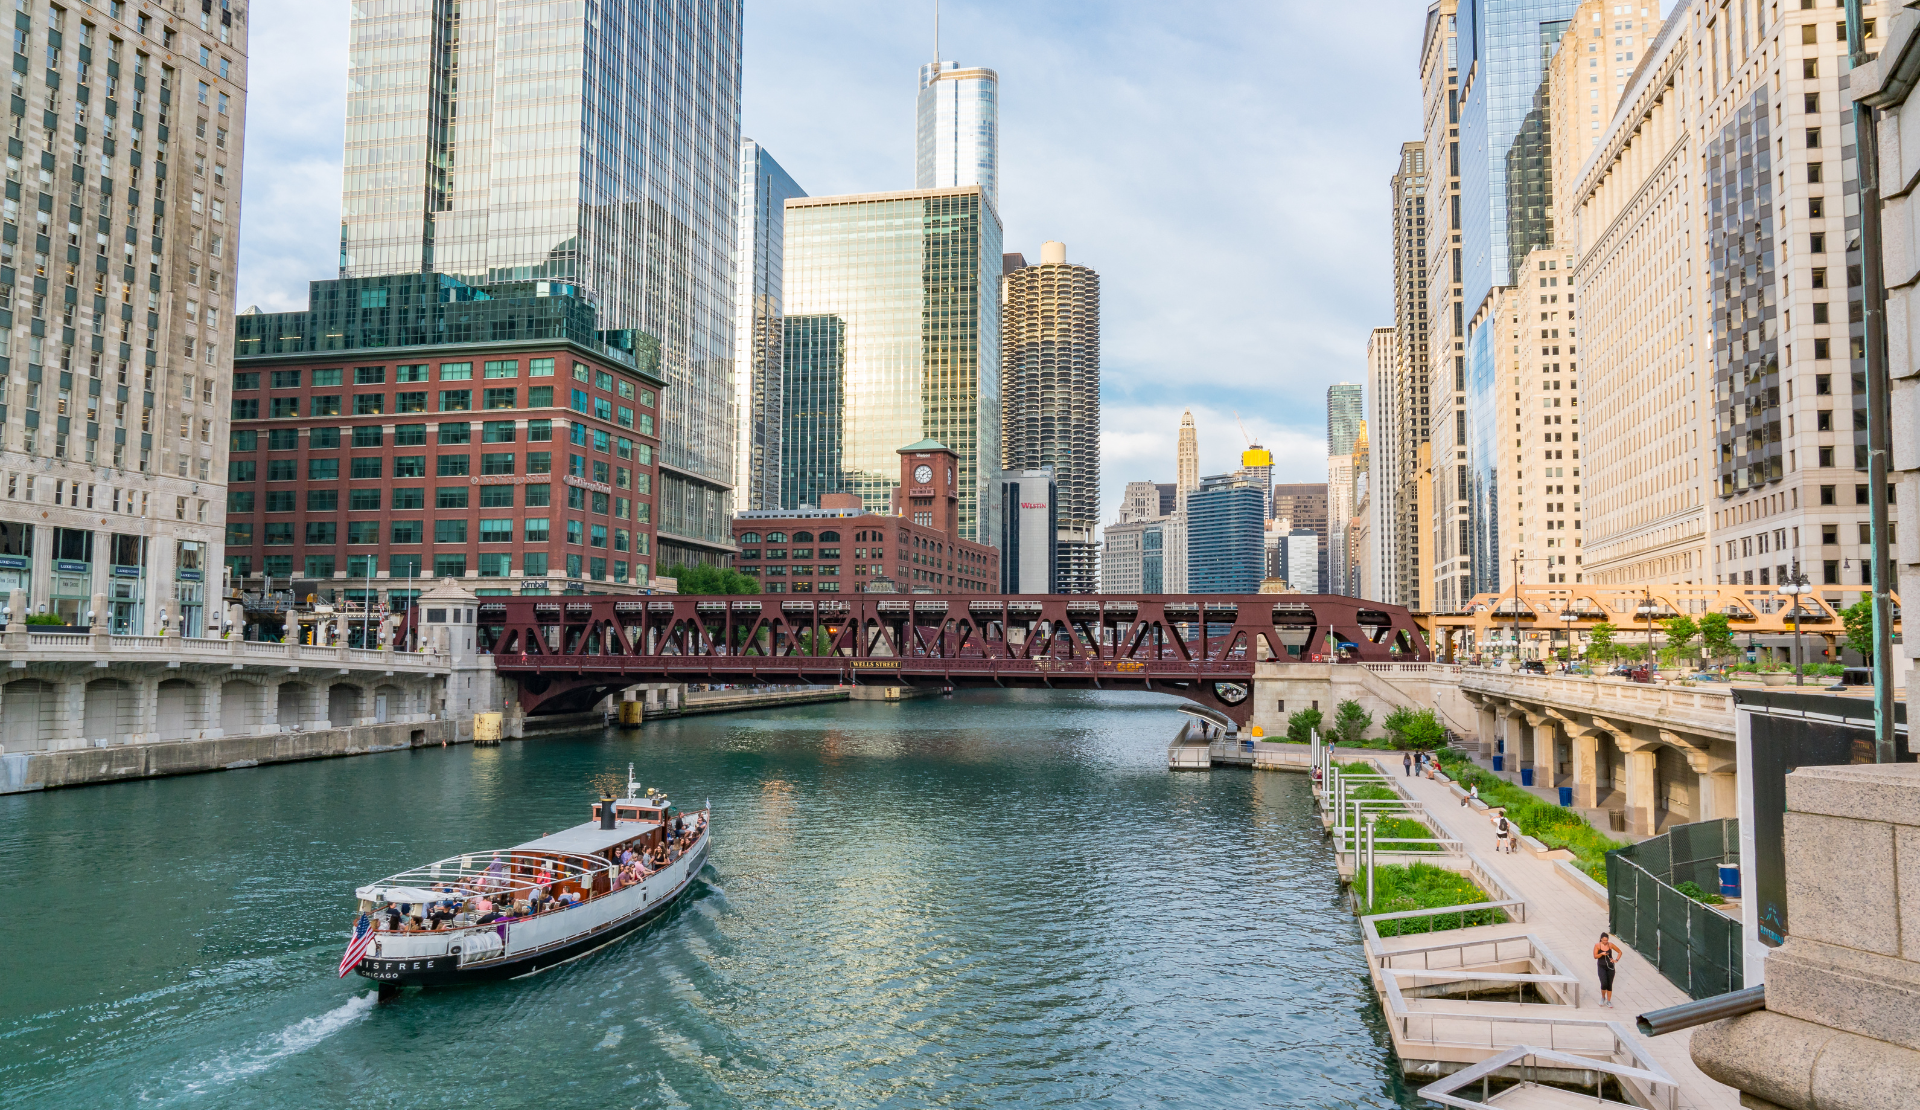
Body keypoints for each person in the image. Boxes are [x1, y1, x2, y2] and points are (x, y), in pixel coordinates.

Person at [1594, 932, 1623, 1007]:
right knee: (1604, 982)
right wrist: (1601, 954)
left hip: (1610, 967)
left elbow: (1619, 952)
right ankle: (1603, 997)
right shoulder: (1597, 945)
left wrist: (1616, 959)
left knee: (1609, 983)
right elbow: (1595, 956)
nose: (1605, 942)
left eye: (1606, 940)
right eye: (1604, 940)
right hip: (1601, 966)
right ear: (1601, 939)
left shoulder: (1610, 945)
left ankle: (1609, 1001)